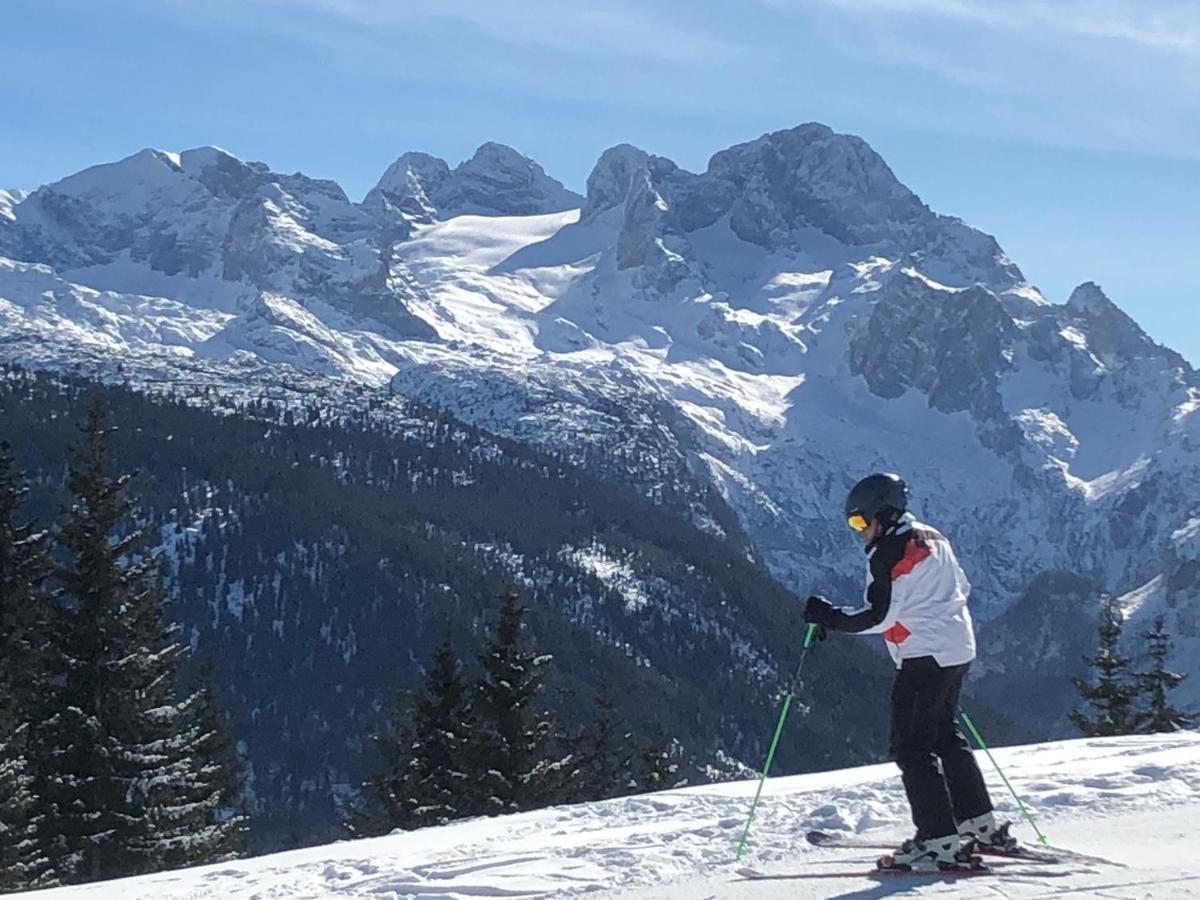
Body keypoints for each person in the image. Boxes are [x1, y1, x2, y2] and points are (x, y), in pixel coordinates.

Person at [803, 472, 1017, 872]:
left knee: (911, 748)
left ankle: (938, 841)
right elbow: (963, 587)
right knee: (944, 736)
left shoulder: (889, 551)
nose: (858, 531)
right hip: (957, 648)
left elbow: (878, 616)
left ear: (882, 514)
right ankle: (979, 823)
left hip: (924, 655)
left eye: (859, 521)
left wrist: (829, 618)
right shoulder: (932, 536)